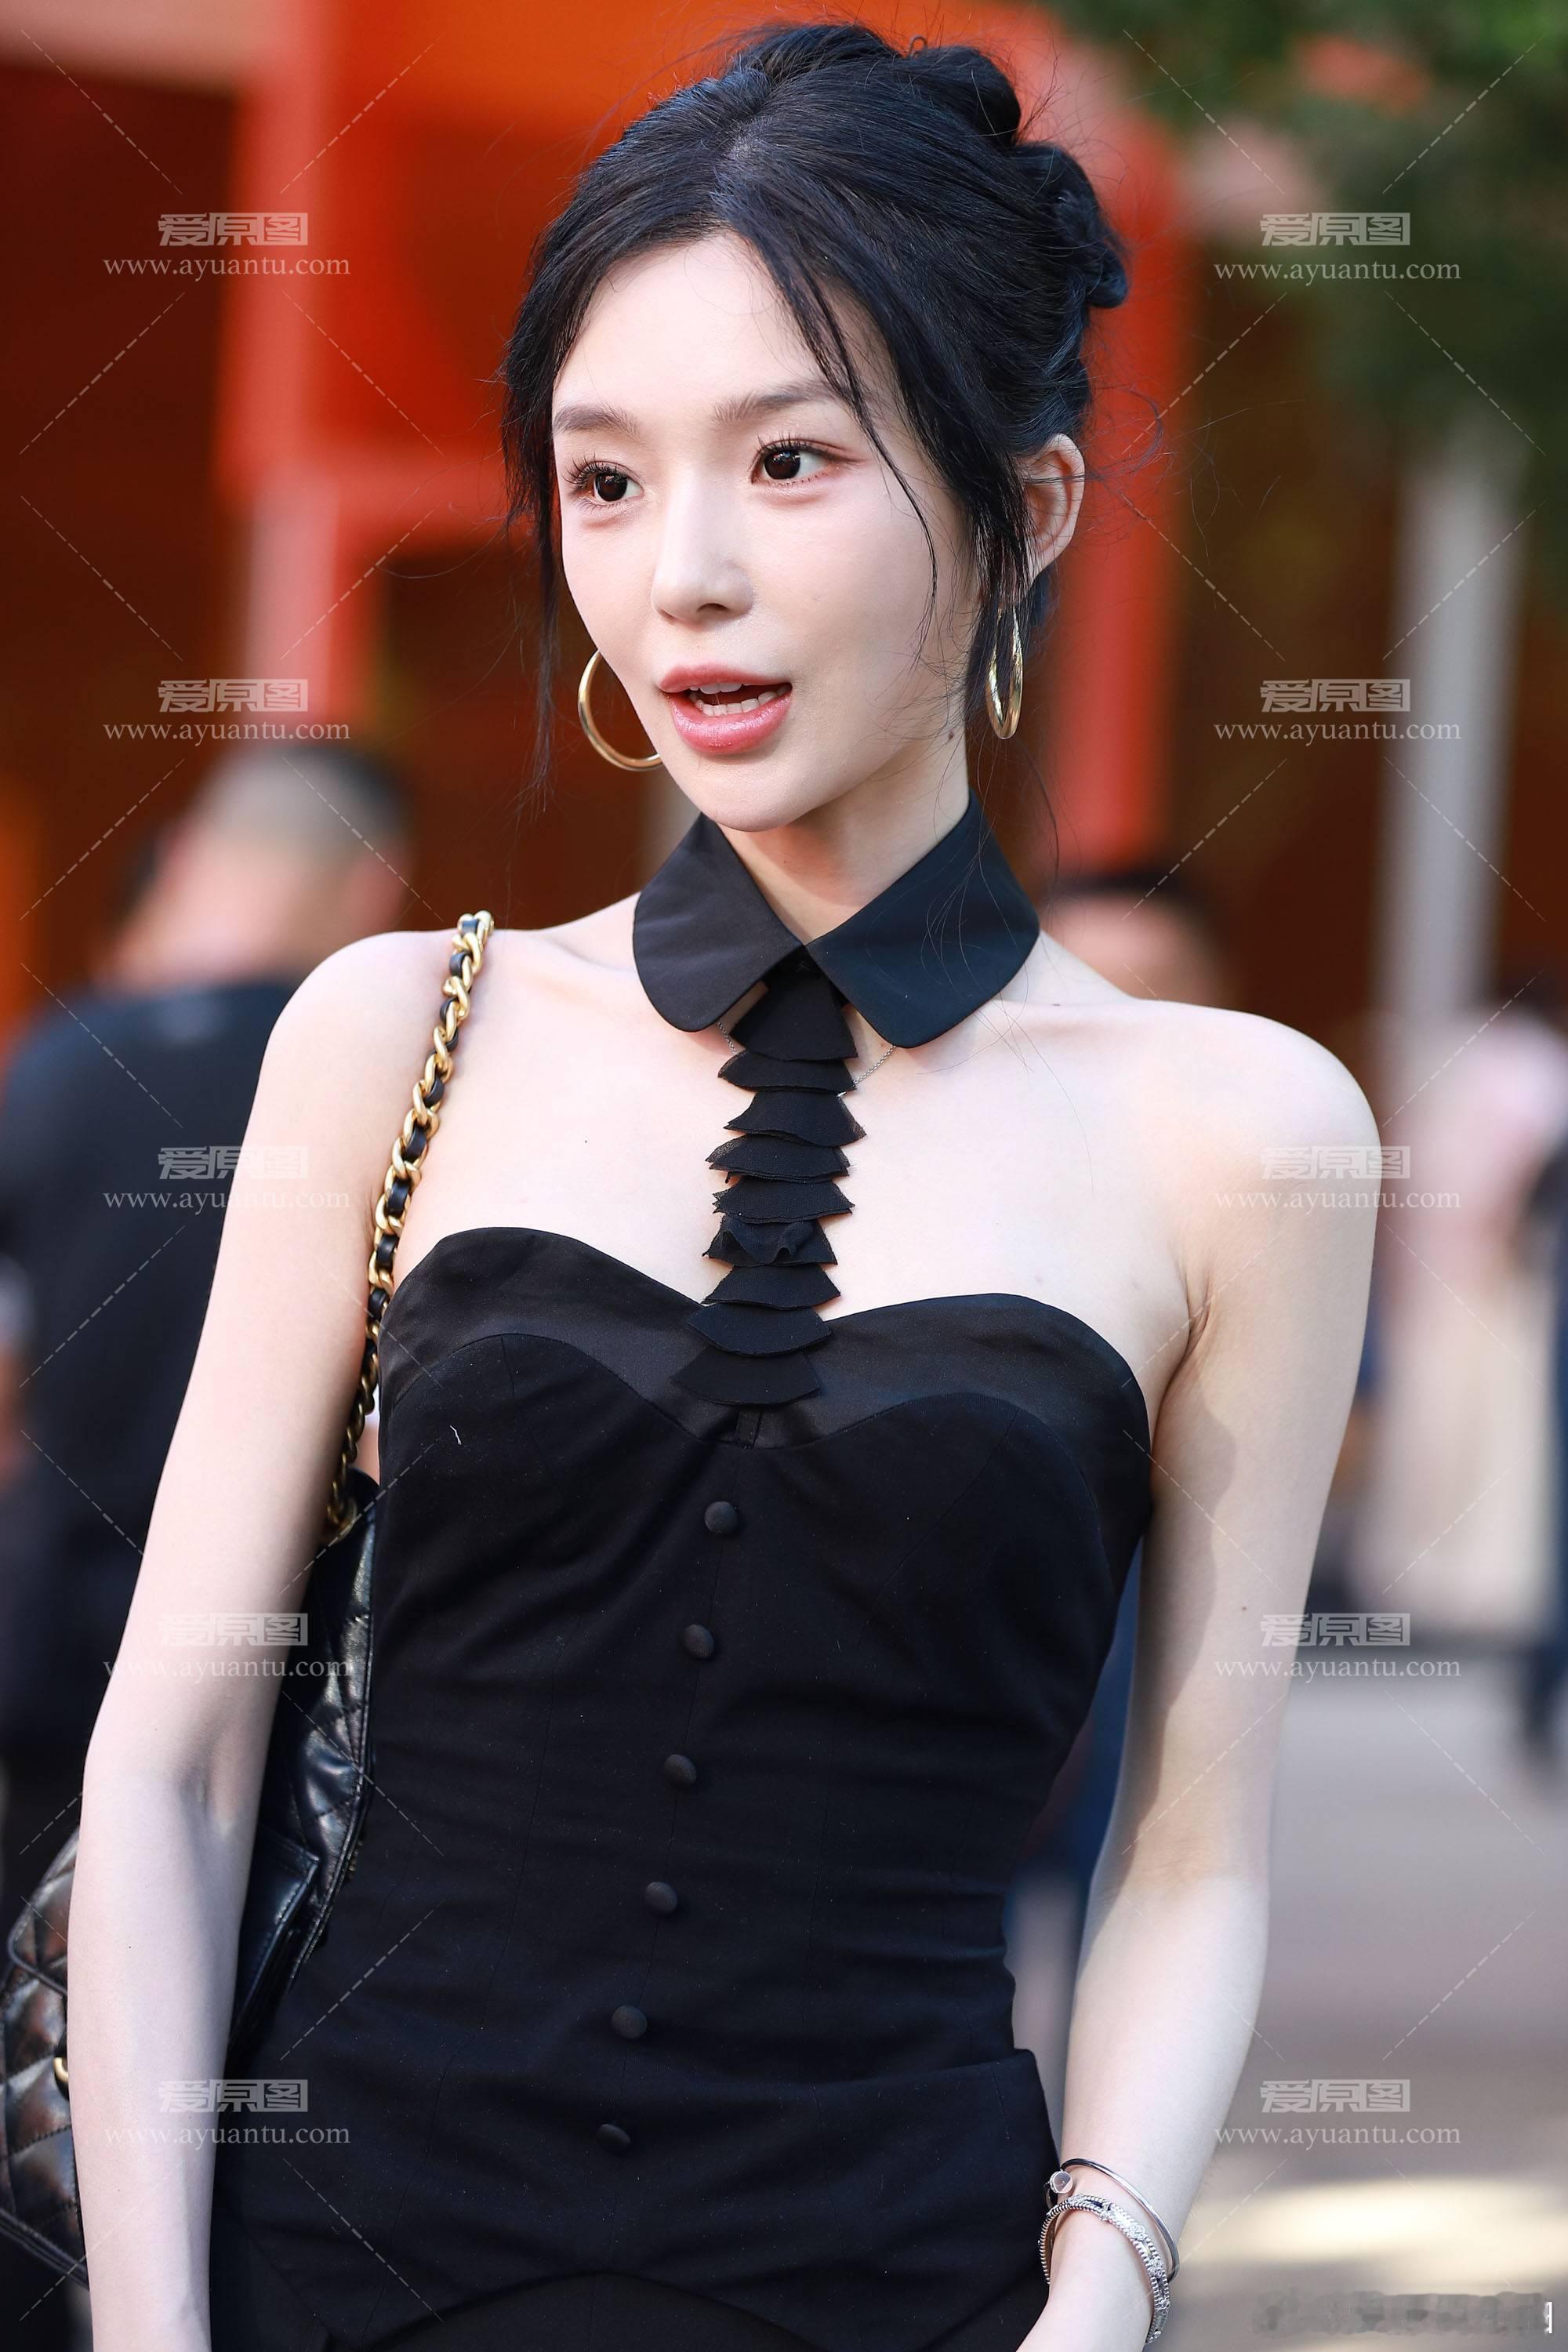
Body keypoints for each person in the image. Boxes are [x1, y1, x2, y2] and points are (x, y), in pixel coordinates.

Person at [67, 26, 1377, 2352]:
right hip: (330, 2288)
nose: (680, 577)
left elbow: (1192, 1850)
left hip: (901, 2293)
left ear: (1031, 507)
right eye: (601, 479)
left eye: (789, 460)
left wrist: (1095, 2310)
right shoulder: (393, 1031)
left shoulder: (1242, 1131)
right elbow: (172, 1763)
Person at [0, 741, 409, 2346]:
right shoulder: (380, 1083)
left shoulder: (54, 1065)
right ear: (367, 890)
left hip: (54, 1649)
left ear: (196, 860)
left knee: (48, 2031)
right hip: (290, 1684)